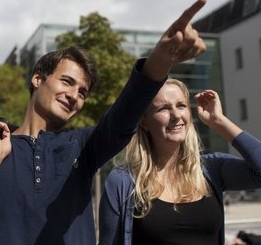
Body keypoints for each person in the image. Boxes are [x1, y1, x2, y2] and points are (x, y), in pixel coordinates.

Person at [0, 0, 207, 245]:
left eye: (82, 92)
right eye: (67, 81)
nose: (74, 96)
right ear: (38, 79)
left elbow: (124, 116)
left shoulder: (81, 147)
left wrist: (160, 59)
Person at [99, 79, 261, 245]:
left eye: (181, 106)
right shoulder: (123, 181)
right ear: (145, 121)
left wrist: (218, 121)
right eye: (164, 108)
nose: (176, 115)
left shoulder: (212, 169)